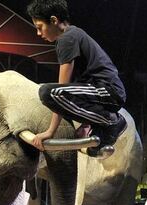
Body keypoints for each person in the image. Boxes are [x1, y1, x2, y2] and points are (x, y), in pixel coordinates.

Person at [27, 0, 127, 159]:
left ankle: (112, 122)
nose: (39, 33)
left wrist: (50, 132)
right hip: (102, 92)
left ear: (54, 20)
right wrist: (85, 123)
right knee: (55, 92)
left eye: (40, 27)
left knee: (47, 92)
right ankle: (100, 126)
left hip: (107, 91)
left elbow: (61, 89)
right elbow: (76, 89)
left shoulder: (67, 38)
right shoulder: (74, 34)